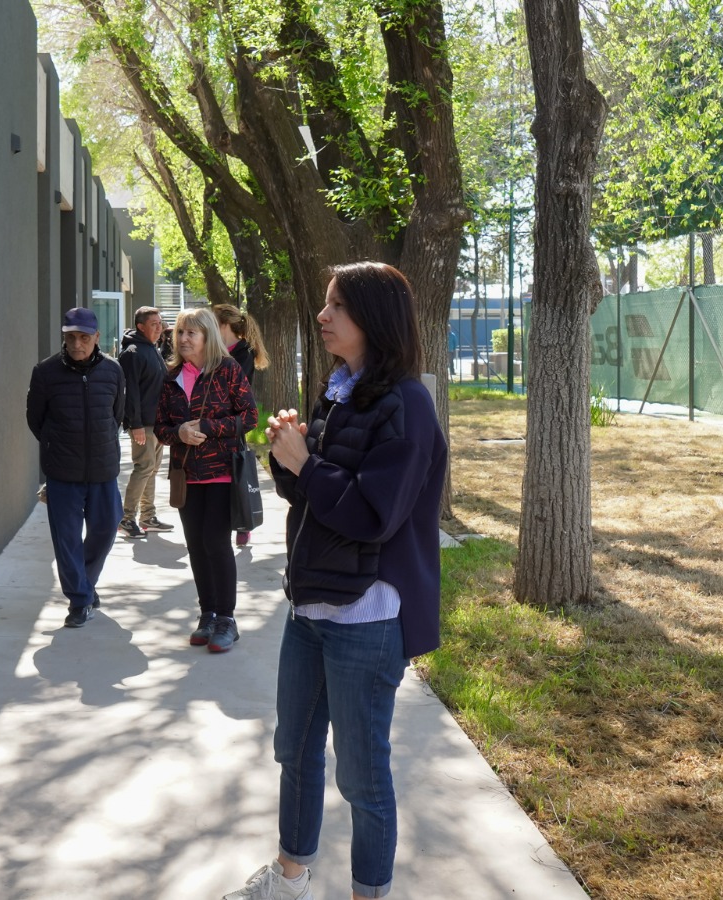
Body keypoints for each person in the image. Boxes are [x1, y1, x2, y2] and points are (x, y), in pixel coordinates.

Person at [223, 262, 446, 900]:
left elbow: (374, 515)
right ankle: (289, 881)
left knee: (361, 777)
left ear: (373, 319)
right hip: (311, 608)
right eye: (324, 305)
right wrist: (288, 453)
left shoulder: (407, 404)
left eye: (336, 307)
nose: (322, 317)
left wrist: (307, 466)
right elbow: (314, 493)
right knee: (293, 752)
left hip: (366, 620)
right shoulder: (341, 388)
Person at [155, 307, 257, 653]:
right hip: (186, 475)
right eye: (180, 332)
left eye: (191, 333)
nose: (183, 339)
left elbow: (250, 416)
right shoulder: (170, 378)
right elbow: (160, 428)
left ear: (206, 336)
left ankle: (227, 618)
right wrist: (178, 432)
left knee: (216, 542)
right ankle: (207, 613)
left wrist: (210, 428)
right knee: (196, 546)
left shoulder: (227, 371)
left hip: (221, 472)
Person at [26, 307, 126, 628]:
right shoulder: (45, 372)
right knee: (66, 539)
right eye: (71, 337)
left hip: (103, 469)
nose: (77, 344)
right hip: (63, 473)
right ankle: (80, 600)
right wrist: (58, 445)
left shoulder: (113, 371)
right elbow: (36, 420)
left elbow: (116, 415)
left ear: (96, 338)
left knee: (106, 528)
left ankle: (85, 581)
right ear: (64, 337)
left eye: (84, 337)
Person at [212, 304, 269, 548]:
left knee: (238, 474)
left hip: (235, 422)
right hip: (216, 422)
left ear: (224, 324)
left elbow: (231, 386)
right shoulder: (216, 351)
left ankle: (244, 524)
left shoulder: (243, 352)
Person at [118, 306, 172, 539]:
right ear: (141, 327)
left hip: (157, 423)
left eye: (160, 323)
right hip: (144, 425)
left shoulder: (152, 349)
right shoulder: (132, 352)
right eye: (154, 324)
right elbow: (130, 392)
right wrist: (136, 424)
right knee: (143, 469)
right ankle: (126, 518)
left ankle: (147, 517)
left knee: (151, 470)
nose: (159, 327)